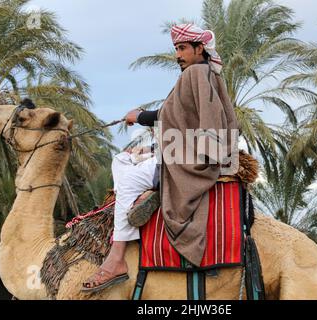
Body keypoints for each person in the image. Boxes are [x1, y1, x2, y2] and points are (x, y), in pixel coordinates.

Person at [82, 24, 238, 292]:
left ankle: (117, 258)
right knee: (122, 160)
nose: (177, 55)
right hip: (177, 152)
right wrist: (153, 149)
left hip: (188, 162)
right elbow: (181, 118)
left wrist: (139, 117)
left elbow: (172, 117)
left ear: (199, 49)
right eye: (176, 49)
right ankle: (134, 206)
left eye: (182, 48)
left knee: (129, 180)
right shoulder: (202, 74)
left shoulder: (197, 73)